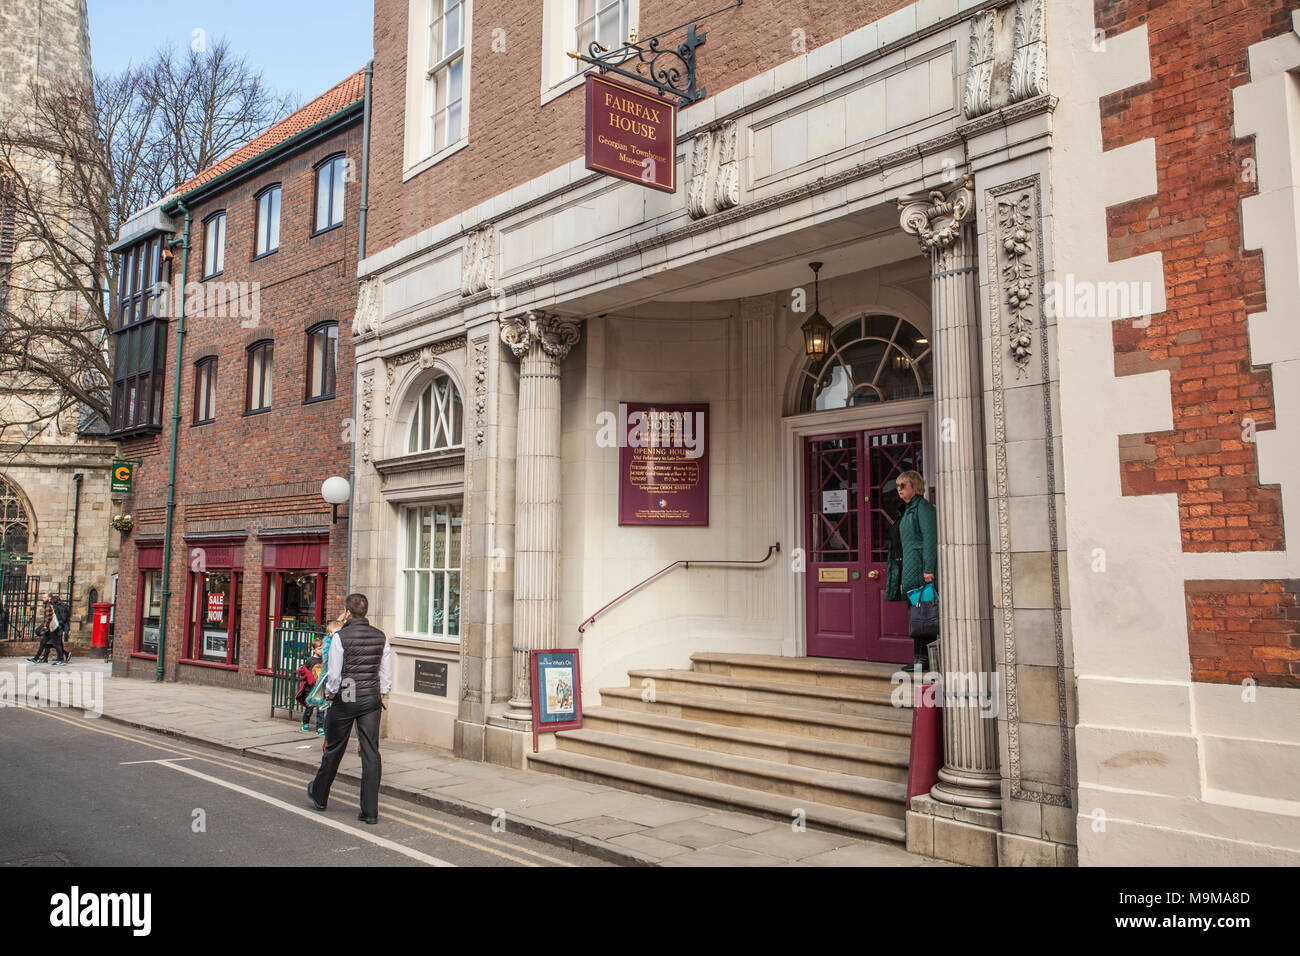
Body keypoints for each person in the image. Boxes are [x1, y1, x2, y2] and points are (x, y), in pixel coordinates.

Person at [307, 594, 391, 824]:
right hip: (371, 697)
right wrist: (381, 691)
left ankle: (319, 794)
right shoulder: (380, 636)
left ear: (347, 612)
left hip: (347, 695)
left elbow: (334, 674)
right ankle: (370, 811)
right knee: (371, 752)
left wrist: (331, 694)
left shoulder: (340, 637)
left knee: (334, 748)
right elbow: (385, 671)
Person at [885, 470, 937, 671]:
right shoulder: (907, 510)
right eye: (897, 486)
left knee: (924, 614)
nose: (899, 490)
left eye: (903, 486)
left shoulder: (923, 509)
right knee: (916, 614)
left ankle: (923, 659)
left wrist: (928, 569)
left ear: (914, 486)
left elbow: (929, 539)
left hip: (920, 571)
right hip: (908, 568)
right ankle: (919, 657)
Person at [28, 593, 71, 665]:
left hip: (52, 627)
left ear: (49, 598)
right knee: (44, 643)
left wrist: (45, 626)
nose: (43, 599)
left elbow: (48, 618)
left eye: (44, 597)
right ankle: (37, 658)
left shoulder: (49, 605)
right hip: (54, 627)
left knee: (56, 644)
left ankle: (61, 659)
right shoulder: (54, 604)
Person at [296, 635, 328, 734]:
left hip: (321, 689)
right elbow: (304, 672)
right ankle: (305, 722)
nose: (321, 651)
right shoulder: (310, 661)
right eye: (319, 649)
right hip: (310, 690)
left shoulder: (324, 660)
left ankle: (320, 727)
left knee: (320, 709)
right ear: (313, 649)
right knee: (309, 708)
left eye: (323, 649)